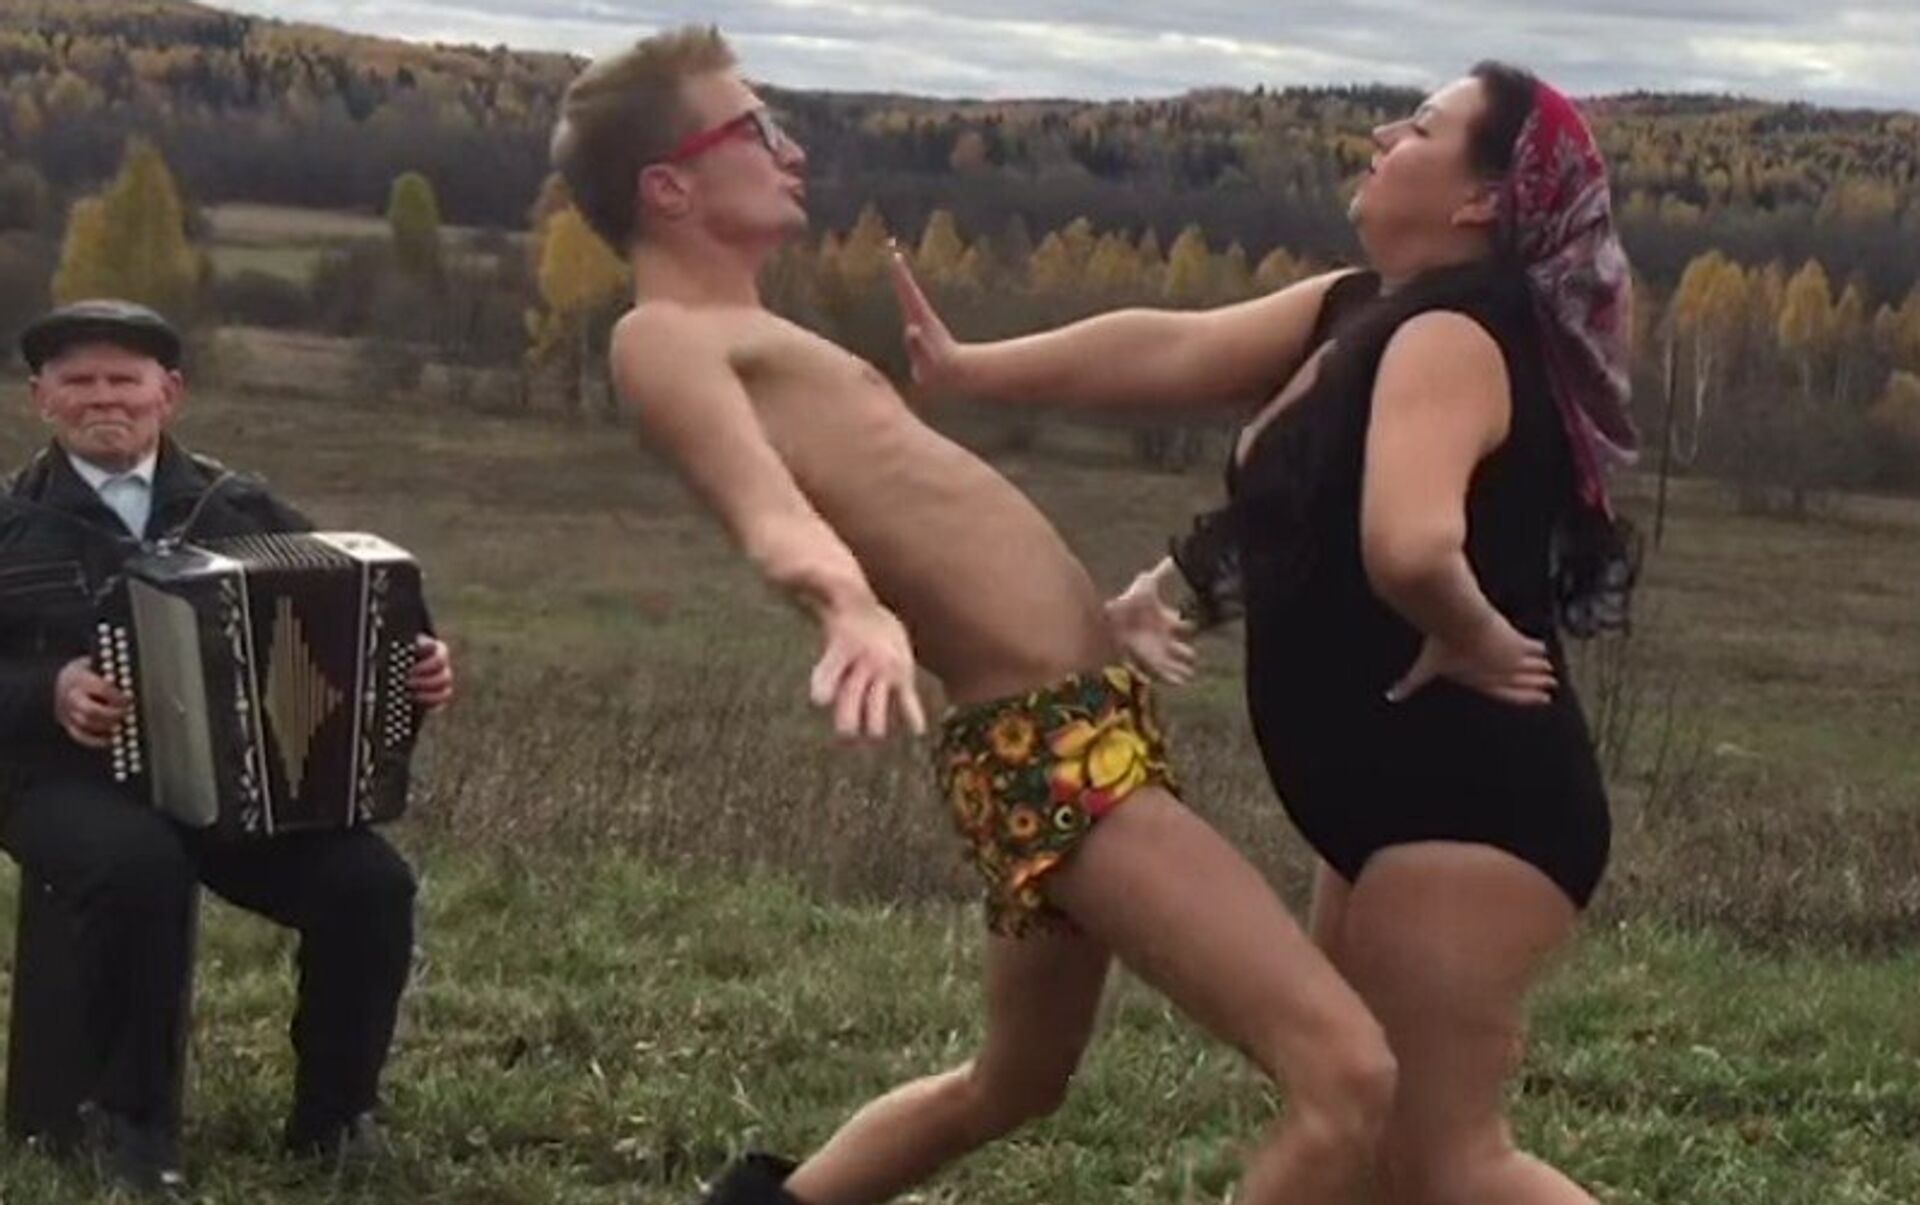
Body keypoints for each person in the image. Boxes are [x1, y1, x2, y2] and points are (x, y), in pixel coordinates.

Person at [552, 26, 1403, 1205]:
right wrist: (847, 603)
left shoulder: (763, 331)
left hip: (1067, 730)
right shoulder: (663, 338)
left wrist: (1117, 614)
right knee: (1352, 1075)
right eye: (756, 128)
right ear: (669, 186)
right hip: (1056, 752)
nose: (791, 149)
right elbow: (765, 509)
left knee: (1013, 1082)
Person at [891, 63, 1637, 1204]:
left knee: (1445, 1159)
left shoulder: (1453, 336)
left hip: (1473, 809)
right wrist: (968, 368)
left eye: (1422, 127)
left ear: (1482, 199)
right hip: (1393, 808)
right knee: (1370, 1146)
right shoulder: (1357, 309)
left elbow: (1409, 542)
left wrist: (1468, 627)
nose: (1383, 134)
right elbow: (1169, 347)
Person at [0, 300, 456, 1193]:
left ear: (168, 393)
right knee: (138, 866)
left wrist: (417, 667)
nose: (104, 397)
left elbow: (363, 614)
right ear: (40, 399)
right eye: (78, 380)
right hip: (54, 781)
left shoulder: (238, 506)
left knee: (371, 885)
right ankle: (128, 1125)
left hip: (234, 792)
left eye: (124, 379)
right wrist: (47, 691)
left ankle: (334, 1119)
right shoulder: (10, 525)